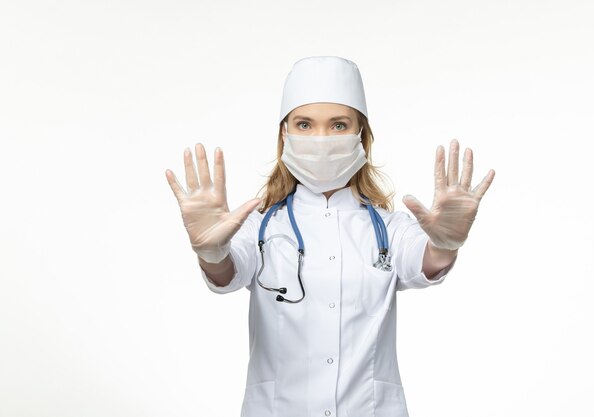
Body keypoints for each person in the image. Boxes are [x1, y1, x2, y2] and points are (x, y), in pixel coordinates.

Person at [165, 56, 495, 417]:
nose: (320, 140)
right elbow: (227, 273)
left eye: (338, 125)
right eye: (304, 124)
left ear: (361, 136)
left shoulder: (390, 229)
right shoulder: (259, 227)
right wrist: (212, 252)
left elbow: (425, 262)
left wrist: (445, 245)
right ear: (284, 135)